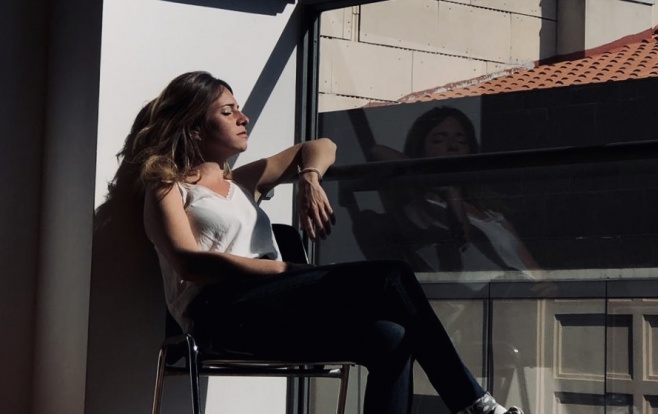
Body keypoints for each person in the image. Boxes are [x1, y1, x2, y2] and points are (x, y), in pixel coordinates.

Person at [102, 71, 522, 414]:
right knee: (391, 276)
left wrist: (309, 178)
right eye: (228, 112)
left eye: (239, 108)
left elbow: (321, 146)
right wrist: (283, 271)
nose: (243, 118)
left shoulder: (244, 182)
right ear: (194, 128)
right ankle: (473, 404)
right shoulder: (167, 187)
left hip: (275, 307)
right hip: (220, 316)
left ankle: (471, 404)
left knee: (391, 337)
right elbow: (189, 263)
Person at [370, 106, 540, 274]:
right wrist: (437, 184)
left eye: (461, 141)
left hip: (525, 289)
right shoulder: (421, 209)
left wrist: (545, 285)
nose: (452, 146)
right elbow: (378, 151)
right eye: (439, 140)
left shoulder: (492, 214)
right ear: (421, 149)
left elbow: (537, 272)